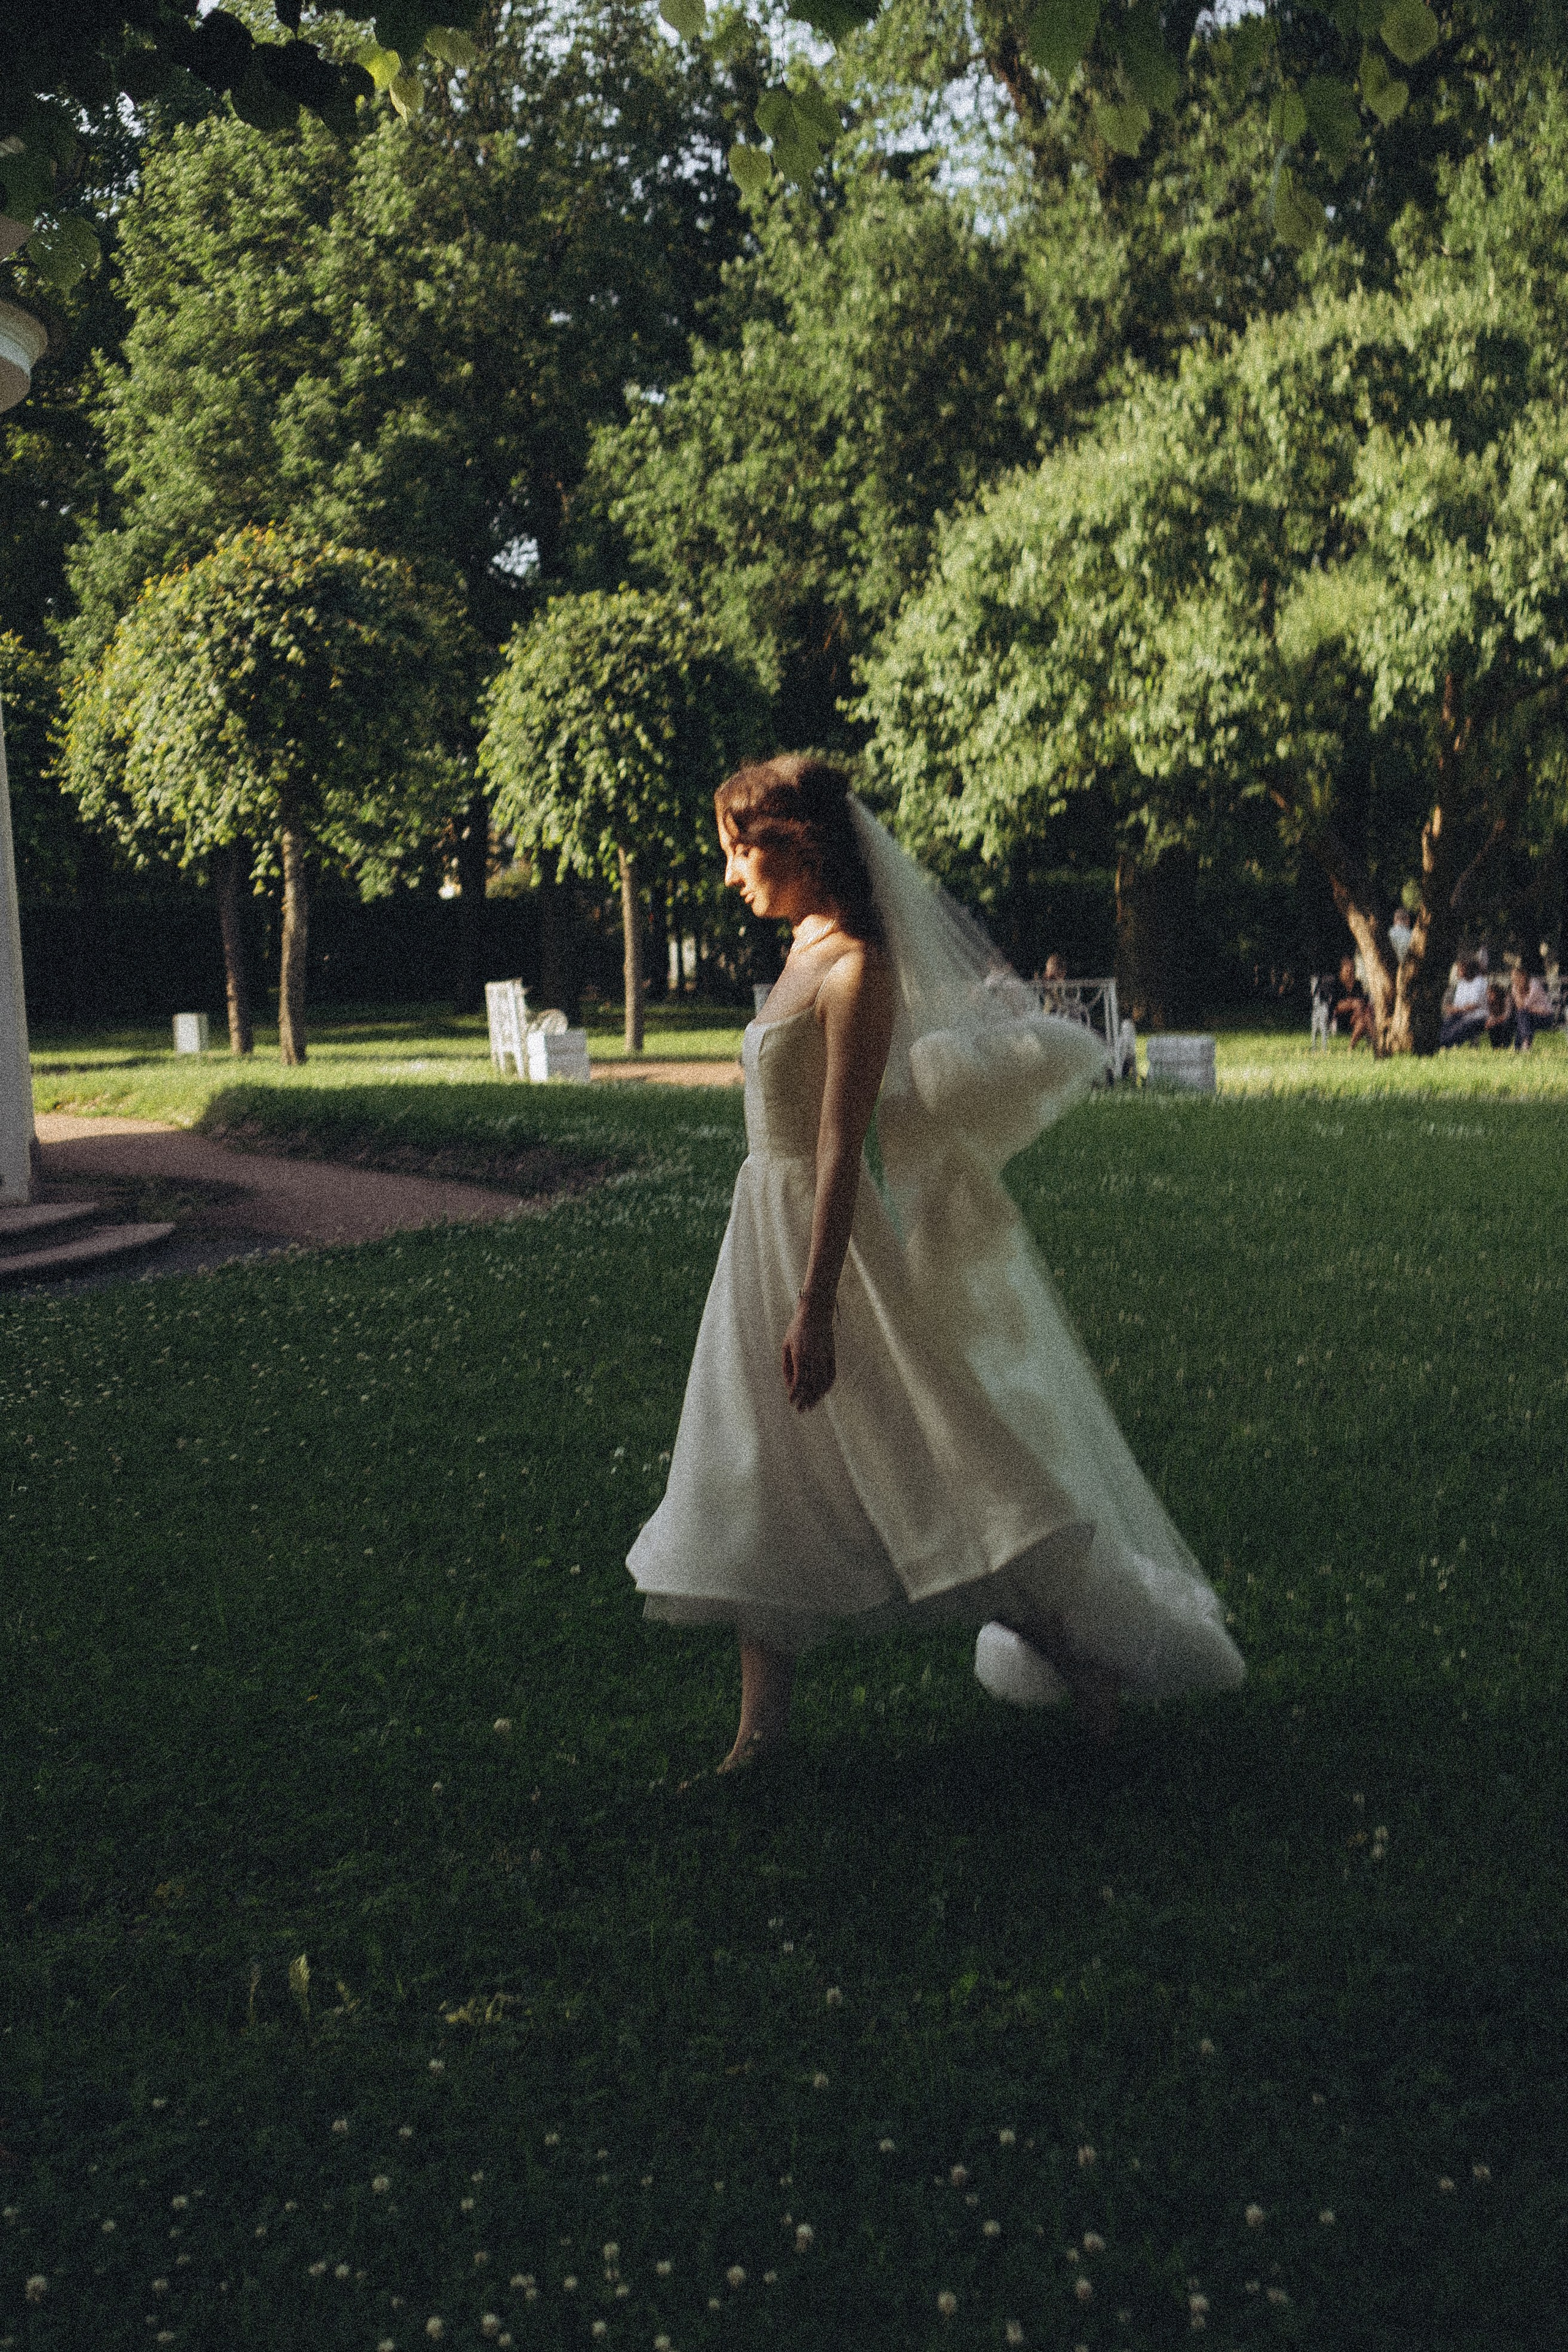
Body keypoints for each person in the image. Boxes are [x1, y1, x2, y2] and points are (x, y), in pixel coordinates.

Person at [627, 755, 1243, 1770]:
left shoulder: (856, 966)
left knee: (930, 1466)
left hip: (825, 1248)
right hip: (760, 1231)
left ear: (798, 845)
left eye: (741, 853)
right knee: (762, 1466)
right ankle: (757, 1737)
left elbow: (840, 1144)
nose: (730, 875)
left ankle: (1082, 1657)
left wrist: (817, 1304)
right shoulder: (801, 948)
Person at [1439, 956, 1488, 1048]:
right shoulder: (1461, 983)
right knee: (1445, 1024)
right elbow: (1458, 1003)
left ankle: (1444, 1045)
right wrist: (1451, 1009)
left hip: (1477, 1017)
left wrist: (1458, 1009)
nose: (1458, 971)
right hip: (1461, 1014)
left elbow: (1474, 1005)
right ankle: (1438, 1044)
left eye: (1461, 969)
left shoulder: (1480, 982)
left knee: (1457, 1030)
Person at [1332, 956, 1378, 1050]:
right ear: (1341, 971)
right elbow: (1334, 1005)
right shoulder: (1337, 984)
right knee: (1357, 1004)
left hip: (1356, 1017)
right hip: (1343, 1017)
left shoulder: (1357, 984)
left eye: (1352, 970)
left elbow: (1363, 1001)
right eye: (1347, 970)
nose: (1350, 973)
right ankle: (1377, 1043)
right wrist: (1351, 1003)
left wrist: (1356, 1011)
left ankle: (1352, 1047)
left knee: (1364, 1019)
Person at [1510, 962, 1553, 1050]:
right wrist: (1518, 991)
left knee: (1523, 1016)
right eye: (1513, 979)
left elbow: (1525, 1006)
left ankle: (1521, 1045)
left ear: (1523, 976)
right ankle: (1523, 1046)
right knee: (1522, 1016)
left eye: (1516, 978)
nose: (1514, 981)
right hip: (1530, 1015)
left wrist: (1519, 994)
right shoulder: (1515, 987)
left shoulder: (1534, 985)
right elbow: (1520, 1007)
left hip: (1546, 1017)